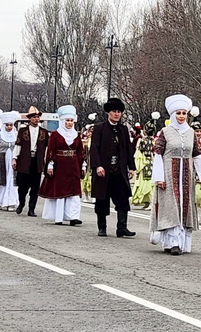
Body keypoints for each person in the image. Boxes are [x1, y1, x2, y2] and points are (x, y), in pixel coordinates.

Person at [150, 94, 201, 254]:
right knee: (171, 207)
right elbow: (158, 155)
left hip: (186, 176)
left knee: (184, 206)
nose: (181, 116)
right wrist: (159, 177)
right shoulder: (165, 132)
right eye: (178, 113)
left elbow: (197, 155)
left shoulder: (191, 133)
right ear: (172, 114)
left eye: (184, 113)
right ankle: (173, 242)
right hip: (169, 175)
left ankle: (182, 243)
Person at [90, 97, 137, 238]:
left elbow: (128, 149)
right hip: (104, 170)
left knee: (123, 199)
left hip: (119, 170)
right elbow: (94, 149)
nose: (117, 114)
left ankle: (122, 227)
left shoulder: (123, 129)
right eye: (114, 111)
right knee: (102, 199)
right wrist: (97, 166)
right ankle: (102, 227)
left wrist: (131, 167)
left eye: (119, 112)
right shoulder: (99, 128)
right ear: (108, 113)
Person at [40, 105, 84, 226]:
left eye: (71, 120)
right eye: (67, 120)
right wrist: (50, 165)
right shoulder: (55, 134)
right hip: (60, 165)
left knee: (74, 192)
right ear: (62, 121)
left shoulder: (76, 135)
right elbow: (51, 151)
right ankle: (58, 216)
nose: (69, 123)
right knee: (60, 190)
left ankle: (73, 216)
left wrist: (82, 165)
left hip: (73, 165)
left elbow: (80, 151)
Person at [13, 106, 49, 217]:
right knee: (22, 186)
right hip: (24, 160)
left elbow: (47, 148)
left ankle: (31, 208)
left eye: (37, 117)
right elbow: (18, 145)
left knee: (35, 187)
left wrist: (46, 161)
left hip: (36, 161)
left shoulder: (44, 132)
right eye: (34, 117)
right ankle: (21, 203)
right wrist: (15, 158)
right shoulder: (23, 130)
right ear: (29, 118)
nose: (36, 119)